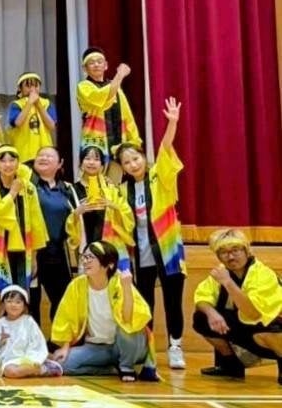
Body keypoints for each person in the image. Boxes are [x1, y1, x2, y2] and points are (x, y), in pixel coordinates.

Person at [119, 97, 186, 369]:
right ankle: (147, 349)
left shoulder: (159, 175)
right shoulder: (122, 190)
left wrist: (172, 124)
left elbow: (165, 149)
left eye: (136, 158)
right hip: (141, 254)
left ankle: (175, 346)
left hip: (168, 249)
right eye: (126, 162)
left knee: (173, 300)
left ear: (143, 158)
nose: (133, 164)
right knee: (145, 302)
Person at [50, 240, 155, 381]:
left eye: (91, 257)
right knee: (62, 364)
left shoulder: (120, 282)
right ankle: (111, 370)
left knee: (127, 328)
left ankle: (126, 367)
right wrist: (65, 346)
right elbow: (66, 318)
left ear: (109, 264)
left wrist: (127, 289)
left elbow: (129, 320)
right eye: (84, 257)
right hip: (98, 348)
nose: (85, 261)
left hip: (127, 346)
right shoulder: (77, 286)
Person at [192, 229, 282, 382]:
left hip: (269, 327)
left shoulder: (262, 274)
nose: (231, 257)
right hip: (248, 328)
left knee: (267, 329)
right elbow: (201, 297)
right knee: (201, 318)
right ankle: (231, 365)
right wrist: (212, 313)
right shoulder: (221, 273)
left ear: (247, 251)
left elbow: (253, 314)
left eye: (235, 250)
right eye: (224, 252)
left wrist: (228, 283)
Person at [0, 145, 45, 297]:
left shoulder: (28, 187)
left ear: (18, 163)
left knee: (22, 295)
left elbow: (36, 222)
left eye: (12, 160)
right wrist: (13, 193)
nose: (8, 165)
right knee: (3, 296)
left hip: (24, 248)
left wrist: (34, 256)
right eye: (3, 161)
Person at [30, 147, 79, 321]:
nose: (43, 158)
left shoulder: (67, 189)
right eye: (40, 155)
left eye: (49, 156)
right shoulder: (27, 186)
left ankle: (58, 336)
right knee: (31, 301)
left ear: (60, 164)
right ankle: (32, 337)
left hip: (58, 253)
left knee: (62, 300)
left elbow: (75, 219)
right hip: (32, 253)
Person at [76, 47, 140, 165]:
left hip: (119, 141)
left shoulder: (116, 87)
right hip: (95, 141)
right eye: (91, 62)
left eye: (99, 62)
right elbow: (101, 97)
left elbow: (127, 116)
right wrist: (119, 75)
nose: (96, 65)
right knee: (94, 173)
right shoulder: (83, 86)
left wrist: (134, 140)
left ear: (106, 66)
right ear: (84, 69)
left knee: (118, 175)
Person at [0, 285, 63, 378]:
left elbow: (37, 343)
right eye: (9, 301)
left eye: (18, 302)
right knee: (7, 371)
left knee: (17, 370)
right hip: (7, 361)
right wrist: (0, 343)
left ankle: (43, 368)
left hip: (26, 358)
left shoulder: (28, 321)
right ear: (3, 305)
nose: (13, 305)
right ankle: (39, 369)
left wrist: (31, 358)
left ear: (24, 306)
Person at [5, 72, 57, 166]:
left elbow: (51, 125)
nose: (33, 89)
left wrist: (38, 105)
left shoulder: (46, 103)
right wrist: (29, 103)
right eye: (28, 86)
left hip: (44, 151)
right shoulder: (16, 104)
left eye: (36, 86)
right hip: (24, 153)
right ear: (20, 88)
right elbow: (18, 123)